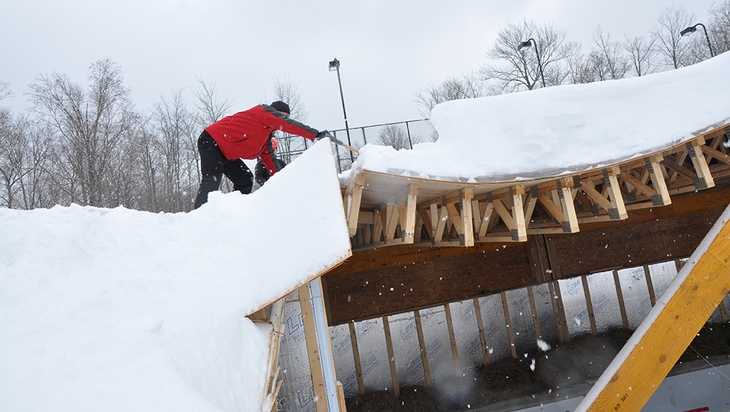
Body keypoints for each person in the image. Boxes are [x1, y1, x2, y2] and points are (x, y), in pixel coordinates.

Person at [193, 101, 326, 209]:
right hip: (212, 141)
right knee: (212, 179)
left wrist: (284, 184)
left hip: (226, 153)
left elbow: (272, 164)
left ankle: (233, 212)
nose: (283, 119)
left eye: (287, 117)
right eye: (281, 116)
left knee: (245, 179)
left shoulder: (266, 140)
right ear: (274, 112)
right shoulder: (263, 112)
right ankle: (199, 217)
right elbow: (286, 124)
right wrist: (314, 134)